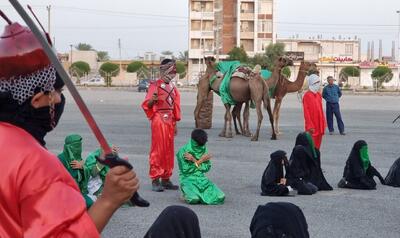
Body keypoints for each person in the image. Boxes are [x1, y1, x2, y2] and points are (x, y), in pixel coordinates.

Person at [0, 20, 137, 237]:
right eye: (56, 92)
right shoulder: (36, 165)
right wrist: (109, 200)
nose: (59, 98)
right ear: (37, 99)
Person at [142, 59, 181, 192]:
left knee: (168, 151)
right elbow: (147, 105)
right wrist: (152, 101)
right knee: (158, 150)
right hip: (159, 119)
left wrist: (175, 122)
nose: (173, 74)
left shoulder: (172, 87)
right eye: (171, 71)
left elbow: (175, 106)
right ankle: (155, 179)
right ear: (164, 70)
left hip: (170, 120)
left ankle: (166, 178)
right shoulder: (155, 85)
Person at [176, 129, 225, 205]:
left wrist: (194, 160)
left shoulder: (203, 148)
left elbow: (207, 168)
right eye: (199, 145)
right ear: (194, 141)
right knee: (194, 199)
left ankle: (199, 195)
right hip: (187, 179)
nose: (201, 147)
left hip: (201, 179)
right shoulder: (183, 151)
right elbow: (186, 170)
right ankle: (185, 194)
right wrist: (200, 160)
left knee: (221, 196)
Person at [58, 134, 93, 208]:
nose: (79, 149)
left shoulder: (79, 159)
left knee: (91, 204)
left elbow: (87, 174)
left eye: (80, 146)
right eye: (76, 146)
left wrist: (82, 168)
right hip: (66, 193)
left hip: (79, 191)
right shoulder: (61, 158)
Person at [302, 74, 326, 149]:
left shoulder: (318, 95)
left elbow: (321, 110)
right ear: (313, 83)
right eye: (317, 82)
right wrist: (310, 125)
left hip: (320, 125)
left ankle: (316, 159)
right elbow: (306, 113)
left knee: (317, 148)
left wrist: (324, 122)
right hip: (312, 127)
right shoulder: (307, 96)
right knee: (311, 147)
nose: (319, 84)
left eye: (319, 82)